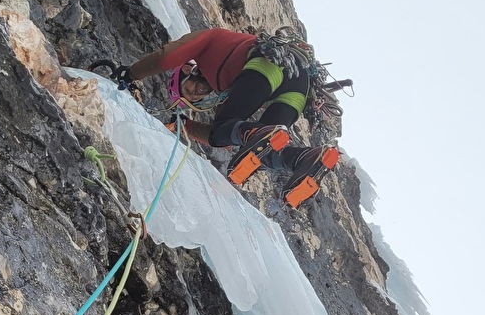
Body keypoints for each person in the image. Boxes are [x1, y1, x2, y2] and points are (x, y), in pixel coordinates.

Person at [114, 26, 339, 207]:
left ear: (187, 71)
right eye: (194, 99)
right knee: (263, 148)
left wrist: (131, 73)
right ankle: (308, 158)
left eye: (189, 89)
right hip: (298, 88)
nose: (196, 94)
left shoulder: (211, 41)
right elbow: (220, 137)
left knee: (242, 133)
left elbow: (168, 56)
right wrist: (183, 126)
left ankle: (277, 145)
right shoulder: (230, 89)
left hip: (270, 62)